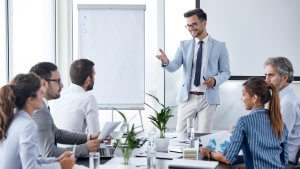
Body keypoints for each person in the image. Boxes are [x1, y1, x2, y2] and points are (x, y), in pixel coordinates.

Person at [156, 8, 230, 133]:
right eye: (188, 26)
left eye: (194, 24)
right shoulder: (183, 45)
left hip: (208, 99)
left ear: (204, 23)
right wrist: (166, 62)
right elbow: (173, 66)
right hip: (187, 97)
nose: (191, 28)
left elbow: (226, 72)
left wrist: (215, 80)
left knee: (203, 139)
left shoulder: (219, 46)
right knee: (181, 136)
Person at [201, 77, 288, 169]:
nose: (241, 99)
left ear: (254, 98)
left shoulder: (244, 121)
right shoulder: (280, 123)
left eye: (243, 95)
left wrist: (208, 152)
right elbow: (285, 160)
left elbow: (227, 158)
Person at [0, 73, 75, 169]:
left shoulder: (15, 118)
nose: (43, 94)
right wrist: (60, 166)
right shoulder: (28, 125)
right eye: (40, 92)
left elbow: (31, 160)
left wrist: (56, 160)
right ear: (30, 99)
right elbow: (30, 167)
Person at [29, 62, 101, 158]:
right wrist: (85, 148)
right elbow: (49, 153)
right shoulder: (39, 111)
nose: (62, 86)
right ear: (44, 84)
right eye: (58, 81)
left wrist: (89, 137)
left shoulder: (43, 106)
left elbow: (57, 134)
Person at [264, 56, 299, 162]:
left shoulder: (287, 103)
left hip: (283, 157)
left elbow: (278, 139)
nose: (266, 80)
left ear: (285, 78)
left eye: (271, 75)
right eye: (265, 75)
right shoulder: (278, 96)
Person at [51, 59, 99, 134]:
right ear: (88, 80)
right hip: (75, 145)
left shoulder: (60, 95)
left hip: (56, 144)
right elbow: (94, 134)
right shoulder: (88, 99)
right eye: (94, 75)